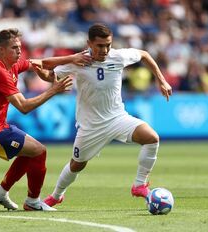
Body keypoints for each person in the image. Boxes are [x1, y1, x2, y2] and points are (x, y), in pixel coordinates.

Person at [43, 23, 172, 207]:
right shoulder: (78, 62)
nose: (105, 50)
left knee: (152, 138)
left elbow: (144, 54)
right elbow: (49, 74)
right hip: (91, 126)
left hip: (117, 118)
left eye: (108, 45)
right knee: (77, 164)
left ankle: (139, 185)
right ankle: (57, 195)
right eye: (100, 46)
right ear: (89, 43)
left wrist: (162, 81)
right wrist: (49, 75)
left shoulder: (118, 57)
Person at [0, 28, 91, 211]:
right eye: (14, 48)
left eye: (20, 47)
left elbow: (41, 62)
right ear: (1, 50)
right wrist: (53, 90)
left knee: (30, 151)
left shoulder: (12, 65)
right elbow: (24, 107)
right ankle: (33, 201)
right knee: (39, 151)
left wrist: (71, 59)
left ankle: (1, 193)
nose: (19, 51)